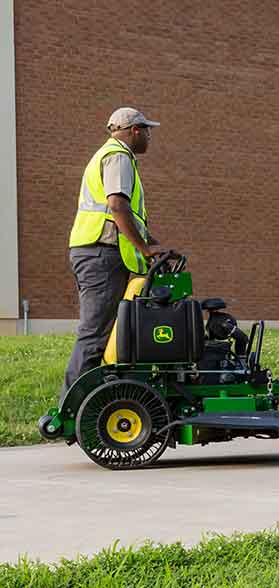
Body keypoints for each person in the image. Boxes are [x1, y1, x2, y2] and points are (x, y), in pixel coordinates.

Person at [61, 107, 166, 398]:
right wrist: (144, 249)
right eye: (146, 130)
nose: (149, 136)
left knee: (103, 334)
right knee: (94, 335)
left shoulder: (112, 155)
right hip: (100, 255)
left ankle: (92, 404)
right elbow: (117, 207)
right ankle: (70, 410)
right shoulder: (118, 157)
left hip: (97, 254)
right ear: (133, 131)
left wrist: (152, 244)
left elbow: (128, 216)